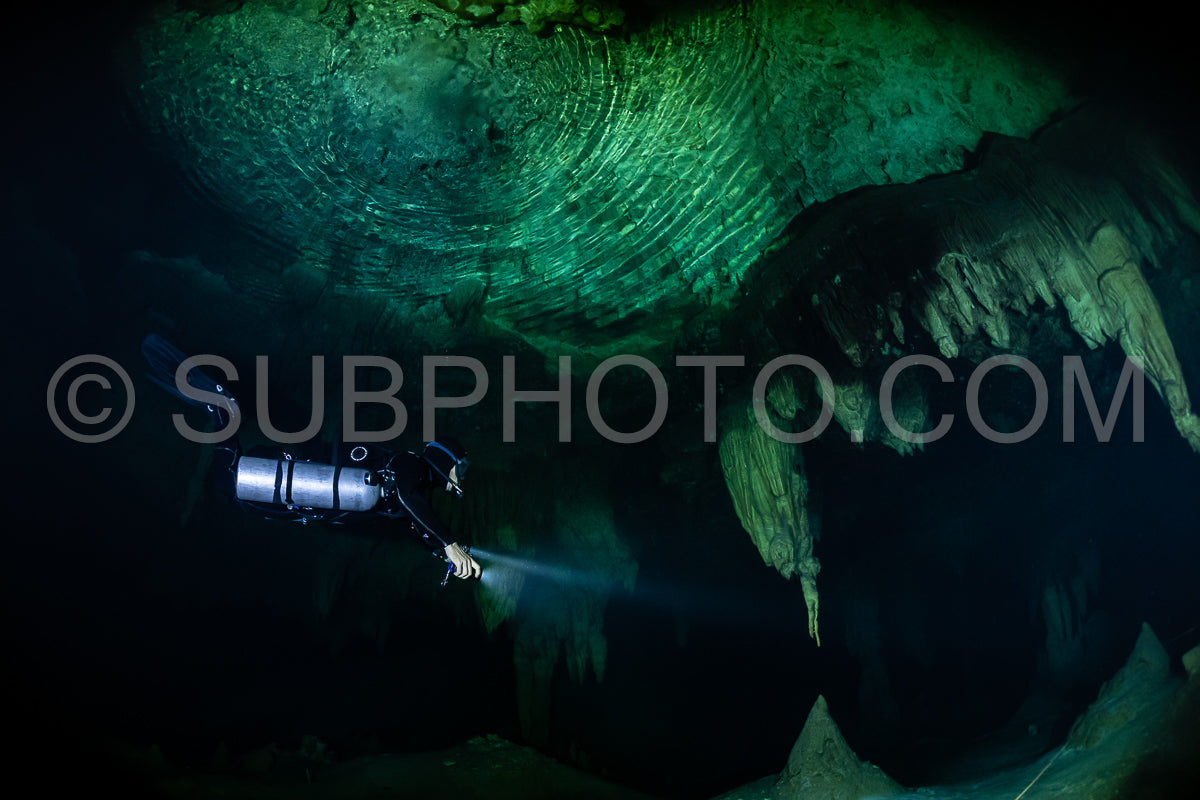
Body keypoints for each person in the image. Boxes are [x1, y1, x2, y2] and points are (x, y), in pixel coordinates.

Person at [141, 334, 481, 580]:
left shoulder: (411, 491)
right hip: (293, 479)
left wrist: (445, 552)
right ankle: (223, 408)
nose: (461, 475)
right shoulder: (411, 466)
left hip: (294, 502)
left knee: (229, 489)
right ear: (444, 457)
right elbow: (407, 499)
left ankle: (222, 412)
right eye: (459, 465)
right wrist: (448, 542)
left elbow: (413, 522)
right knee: (227, 478)